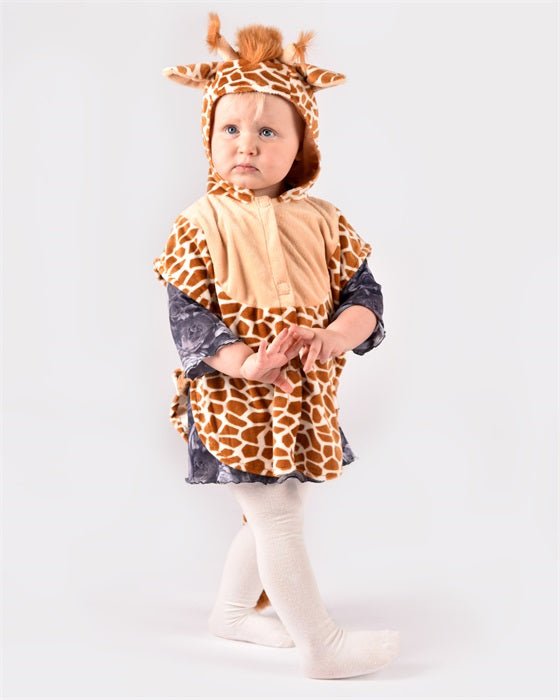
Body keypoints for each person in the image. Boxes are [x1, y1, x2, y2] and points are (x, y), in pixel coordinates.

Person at [152, 12, 400, 679]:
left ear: (301, 145)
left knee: (275, 508)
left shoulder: (326, 221)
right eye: (230, 129)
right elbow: (189, 319)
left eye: (268, 131)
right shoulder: (199, 224)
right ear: (209, 137)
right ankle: (324, 646)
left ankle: (231, 614)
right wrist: (246, 363)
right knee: (278, 514)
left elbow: (366, 300)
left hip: (304, 399)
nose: (247, 144)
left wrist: (332, 336)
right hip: (235, 400)